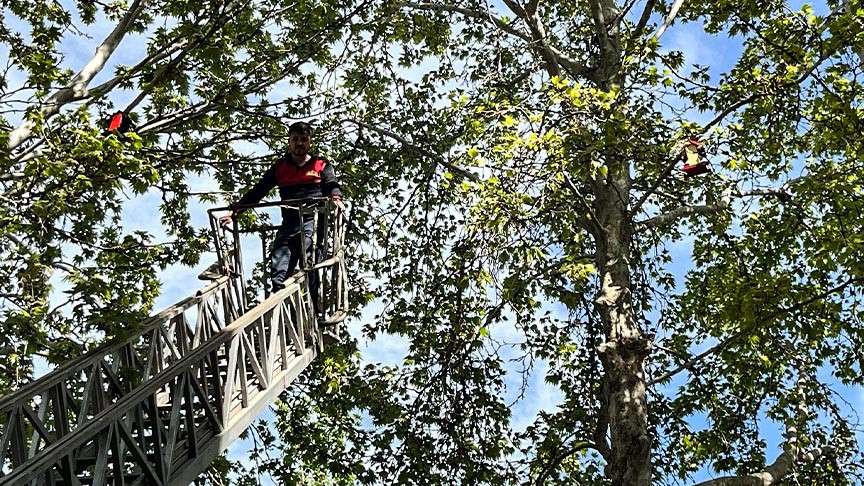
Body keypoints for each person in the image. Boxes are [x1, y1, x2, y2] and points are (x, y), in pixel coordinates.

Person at [220, 121, 342, 292]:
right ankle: (280, 298)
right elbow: (259, 190)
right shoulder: (280, 167)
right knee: (280, 263)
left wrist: (336, 198)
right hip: (290, 223)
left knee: (310, 262)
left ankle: (313, 309)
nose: (300, 143)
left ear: (310, 142)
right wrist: (235, 211)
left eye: (304, 139)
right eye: (296, 139)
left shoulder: (321, 164)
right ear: (289, 141)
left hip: (313, 220)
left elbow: (331, 184)